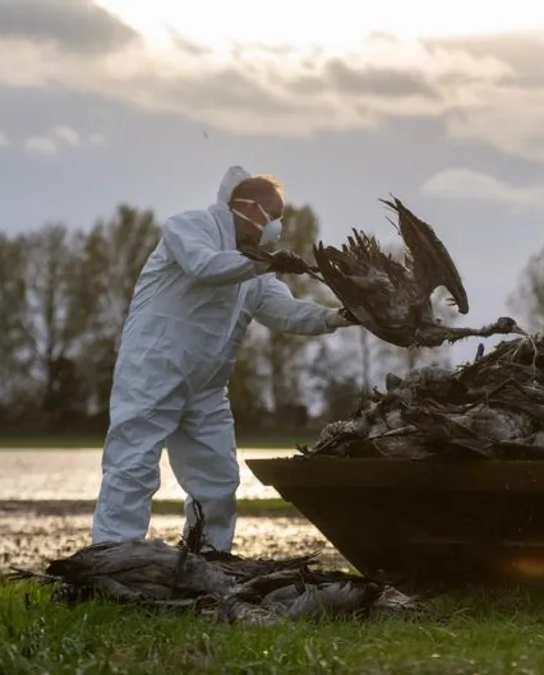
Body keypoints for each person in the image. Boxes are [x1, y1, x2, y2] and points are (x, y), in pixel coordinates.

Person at [90, 165, 358, 552]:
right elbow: (203, 267)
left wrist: (338, 316)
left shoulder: (256, 269)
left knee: (217, 478)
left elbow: (286, 311)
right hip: (154, 369)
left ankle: (207, 558)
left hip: (207, 387)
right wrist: (265, 262)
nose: (276, 228)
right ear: (247, 207)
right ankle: (113, 555)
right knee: (133, 464)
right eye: (274, 216)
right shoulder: (189, 228)